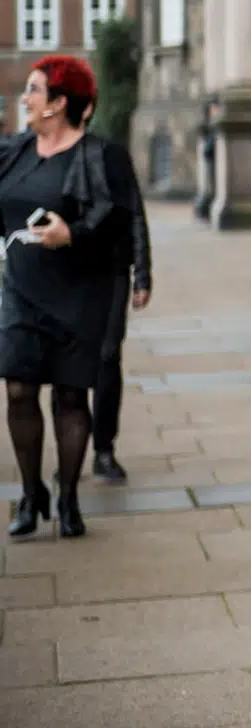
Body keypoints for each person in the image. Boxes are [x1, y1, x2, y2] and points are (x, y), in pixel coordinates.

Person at [1, 56, 137, 539]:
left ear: (59, 104)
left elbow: (119, 218)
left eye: (35, 91)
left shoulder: (102, 156)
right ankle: (31, 491)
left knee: (70, 395)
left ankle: (69, 496)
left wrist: (73, 233)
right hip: (21, 287)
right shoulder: (15, 151)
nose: (26, 98)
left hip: (80, 291)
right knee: (18, 387)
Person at [89, 106, 152, 484]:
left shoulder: (112, 155)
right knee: (67, 362)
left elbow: (134, 214)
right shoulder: (37, 155)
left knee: (108, 356)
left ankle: (103, 447)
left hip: (111, 270)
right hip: (61, 274)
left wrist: (142, 272)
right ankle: (74, 437)